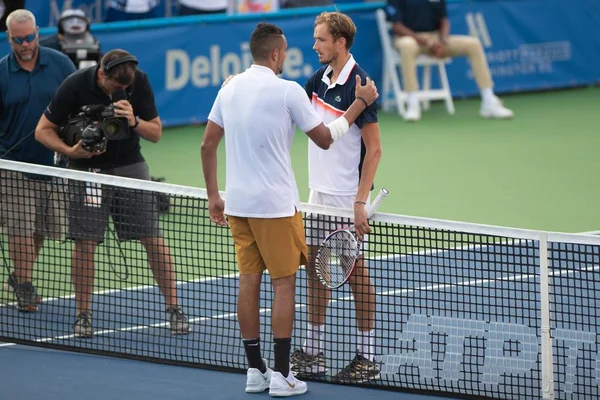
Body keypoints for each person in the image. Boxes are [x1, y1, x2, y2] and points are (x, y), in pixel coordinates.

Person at [201, 22, 378, 397]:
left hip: (261, 204)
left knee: (256, 283)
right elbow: (315, 128)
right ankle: (296, 364)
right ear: (277, 53)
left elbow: (206, 147)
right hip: (293, 203)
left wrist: (214, 196)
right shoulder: (302, 86)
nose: (312, 45)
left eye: (320, 39)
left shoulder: (231, 88)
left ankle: (262, 370)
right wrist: (360, 103)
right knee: (297, 280)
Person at [34, 49, 189, 338]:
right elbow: (42, 130)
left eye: (125, 89)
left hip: (130, 164)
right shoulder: (75, 84)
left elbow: (155, 133)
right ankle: (83, 315)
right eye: (115, 87)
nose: (121, 91)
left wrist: (133, 121)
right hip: (87, 170)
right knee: (85, 243)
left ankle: (174, 307)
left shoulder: (137, 81)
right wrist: (70, 151)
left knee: (153, 238)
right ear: (101, 74)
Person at [289, 11, 383, 384]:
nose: (314, 46)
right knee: (316, 273)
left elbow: (374, 151)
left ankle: (367, 356)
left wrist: (360, 201)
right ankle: (314, 352)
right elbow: (290, 100)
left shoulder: (361, 85)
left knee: (357, 276)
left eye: (321, 40)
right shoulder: (320, 79)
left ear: (340, 42)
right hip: (318, 195)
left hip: (346, 199)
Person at [0, 9, 76, 311]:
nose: (26, 44)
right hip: (14, 163)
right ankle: (26, 288)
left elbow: (80, 100)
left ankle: (18, 275)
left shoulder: (60, 64)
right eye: (19, 40)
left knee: (42, 230)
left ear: (37, 31)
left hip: (54, 161)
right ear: (9, 38)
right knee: (20, 226)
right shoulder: (2, 73)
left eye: (30, 37)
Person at [386, 0, 514, 122]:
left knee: (473, 44)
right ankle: (412, 103)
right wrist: (428, 42)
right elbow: (397, 27)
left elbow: (444, 21)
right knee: (408, 46)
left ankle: (489, 100)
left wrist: (443, 41)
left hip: (436, 39)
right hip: (409, 38)